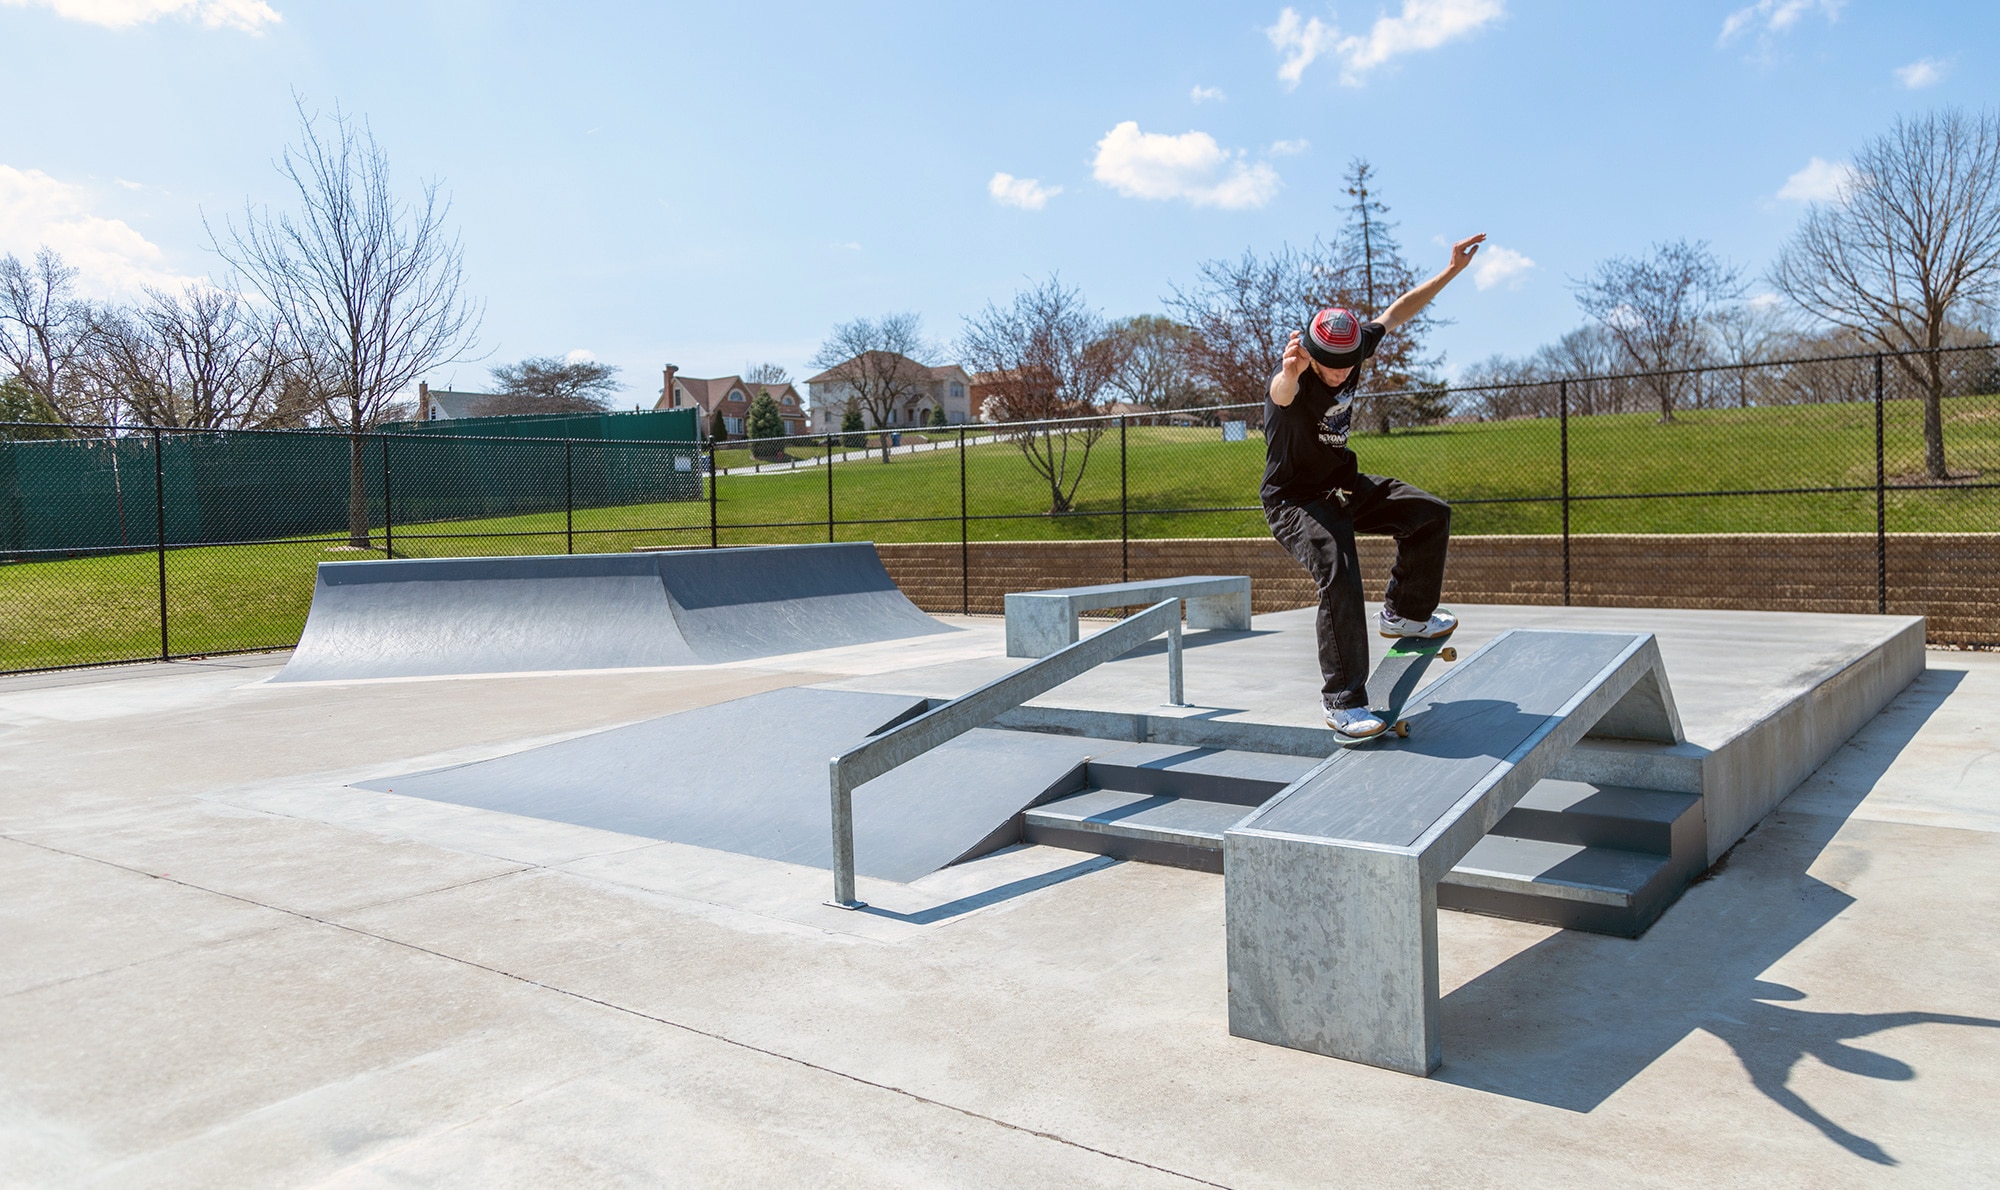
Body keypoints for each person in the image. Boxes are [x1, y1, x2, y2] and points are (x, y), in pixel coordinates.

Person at [1263, 233, 1485, 739]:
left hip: (1341, 487)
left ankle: (1405, 615)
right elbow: (1280, 393)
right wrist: (1289, 371)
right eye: (1330, 366)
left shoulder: (1354, 347)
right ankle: (1342, 701)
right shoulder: (1293, 380)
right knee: (1338, 570)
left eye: (1348, 364)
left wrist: (1450, 271)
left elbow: (1397, 311)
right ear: (1312, 355)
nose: (1341, 374)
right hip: (1294, 502)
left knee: (1429, 513)